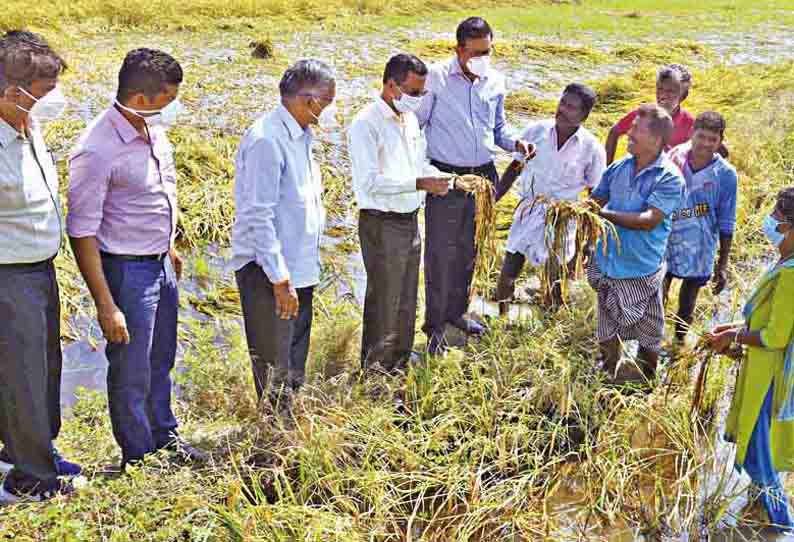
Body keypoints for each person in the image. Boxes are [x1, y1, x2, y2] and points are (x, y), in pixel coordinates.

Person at [68, 48, 205, 468]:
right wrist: (106, 305)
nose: (174, 106)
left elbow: (154, 196)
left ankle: (165, 437)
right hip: (126, 272)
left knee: (161, 358)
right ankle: (140, 456)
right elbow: (82, 231)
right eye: (169, 97)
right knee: (131, 369)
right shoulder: (97, 149)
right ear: (143, 98)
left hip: (159, 264)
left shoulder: (152, 130)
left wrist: (168, 245)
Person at [415, 16, 534, 354]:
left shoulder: (495, 81)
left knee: (470, 250)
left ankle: (457, 313)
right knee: (441, 253)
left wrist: (516, 145)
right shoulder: (436, 78)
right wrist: (423, 172)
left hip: (483, 176)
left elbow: (499, 129)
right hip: (447, 176)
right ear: (459, 49)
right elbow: (417, 126)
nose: (484, 58)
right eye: (477, 52)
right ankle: (435, 324)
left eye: (488, 51)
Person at [0, 29, 79, 504]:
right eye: (45, 92)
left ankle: (28, 451)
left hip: (38, 267)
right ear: (12, 91)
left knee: (44, 369)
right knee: (23, 375)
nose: (54, 100)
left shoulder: (27, 128)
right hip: (8, 276)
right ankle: (31, 480)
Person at [231, 60, 335, 401]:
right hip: (271, 274)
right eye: (328, 102)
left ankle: (287, 422)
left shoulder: (301, 135)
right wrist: (279, 279)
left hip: (298, 268)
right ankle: (272, 436)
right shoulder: (267, 140)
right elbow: (259, 215)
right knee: (274, 362)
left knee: (293, 359)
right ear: (310, 101)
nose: (330, 111)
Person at [348, 54, 450, 370]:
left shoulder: (408, 120)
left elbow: (417, 164)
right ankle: (375, 366)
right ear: (391, 85)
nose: (418, 100)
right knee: (384, 297)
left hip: (408, 219)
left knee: (407, 294)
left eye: (422, 93)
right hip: (382, 222)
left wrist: (443, 178)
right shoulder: (366, 123)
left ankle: (401, 358)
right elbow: (370, 182)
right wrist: (420, 182)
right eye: (414, 92)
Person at [705, 187, 794, 533]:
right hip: (762, 369)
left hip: (771, 377)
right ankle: (760, 509)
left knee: (761, 455)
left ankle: (782, 526)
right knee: (762, 445)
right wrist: (737, 327)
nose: (769, 222)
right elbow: (769, 320)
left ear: (789, 226)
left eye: (776, 218)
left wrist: (734, 337)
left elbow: (775, 337)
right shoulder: (783, 259)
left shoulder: (791, 273)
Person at [588, 104, 684, 383]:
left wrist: (602, 214)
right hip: (609, 262)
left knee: (649, 333)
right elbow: (596, 200)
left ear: (656, 140)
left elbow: (648, 220)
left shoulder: (669, 177)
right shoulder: (618, 168)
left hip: (642, 269)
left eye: (636, 130)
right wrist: (578, 211)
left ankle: (646, 382)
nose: (627, 133)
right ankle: (608, 375)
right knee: (607, 330)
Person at [494, 83, 605, 310]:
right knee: (509, 272)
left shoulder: (591, 148)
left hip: (562, 219)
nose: (562, 109)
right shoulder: (536, 132)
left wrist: (590, 241)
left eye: (571, 107)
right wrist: (493, 198)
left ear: (584, 115)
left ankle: (549, 321)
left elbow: (595, 197)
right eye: (562, 102)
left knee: (555, 281)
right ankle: (501, 317)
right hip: (529, 210)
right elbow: (514, 168)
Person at [663, 112, 737, 343]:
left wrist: (722, 264)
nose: (705, 144)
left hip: (700, 246)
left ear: (720, 141)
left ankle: (678, 343)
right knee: (657, 292)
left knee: (687, 300)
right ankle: (650, 344)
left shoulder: (725, 175)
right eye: (701, 136)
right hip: (667, 239)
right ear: (692, 133)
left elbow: (726, 220)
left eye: (712, 140)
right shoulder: (674, 157)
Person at [605, 65, 693, 165]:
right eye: (660, 89)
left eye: (670, 91)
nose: (662, 95)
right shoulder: (642, 114)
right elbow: (614, 131)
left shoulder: (689, 124)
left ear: (683, 95)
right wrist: (606, 168)